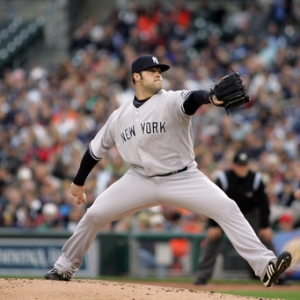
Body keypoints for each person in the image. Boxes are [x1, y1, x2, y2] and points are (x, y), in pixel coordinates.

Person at [44, 54, 292, 287]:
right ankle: (64, 267)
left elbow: (193, 98)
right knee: (95, 214)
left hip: (183, 177)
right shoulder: (119, 116)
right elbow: (94, 151)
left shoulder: (171, 99)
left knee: (227, 208)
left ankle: (265, 266)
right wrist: (78, 182)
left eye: (159, 70)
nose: (158, 74)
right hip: (138, 179)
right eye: (151, 71)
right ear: (136, 78)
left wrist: (211, 98)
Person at [194, 151, 287, 285]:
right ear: (233, 165)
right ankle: (202, 276)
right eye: (239, 165)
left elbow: (263, 203)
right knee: (212, 237)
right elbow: (212, 201)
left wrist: (265, 226)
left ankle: (278, 275)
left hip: (249, 214)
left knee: (265, 236)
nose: (242, 168)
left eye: (244, 165)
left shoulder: (255, 179)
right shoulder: (224, 179)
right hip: (224, 213)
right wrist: (213, 225)